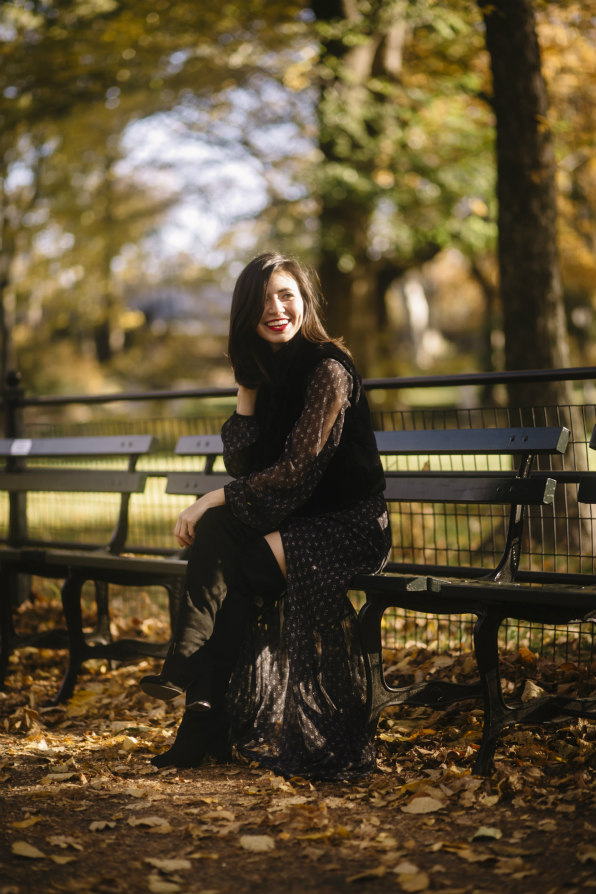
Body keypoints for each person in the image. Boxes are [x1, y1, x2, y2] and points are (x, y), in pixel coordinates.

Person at [141, 251, 391, 780]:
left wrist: (211, 497)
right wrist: (246, 388)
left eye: (286, 296)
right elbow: (244, 464)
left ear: (305, 301)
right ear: (245, 313)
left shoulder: (327, 369)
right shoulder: (268, 371)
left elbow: (297, 467)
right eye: (262, 301)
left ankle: (197, 703)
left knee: (242, 561)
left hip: (346, 525)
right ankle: (192, 683)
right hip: (296, 514)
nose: (276, 309)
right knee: (218, 534)